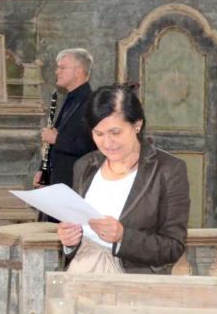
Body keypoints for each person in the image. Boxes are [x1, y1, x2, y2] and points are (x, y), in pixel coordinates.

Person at [57, 83, 190, 274]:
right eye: (98, 134)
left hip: (134, 287)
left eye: (115, 132)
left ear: (137, 124)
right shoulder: (85, 165)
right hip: (80, 277)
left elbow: (173, 247)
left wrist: (123, 237)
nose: (107, 142)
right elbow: (76, 237)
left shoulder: (168, 169)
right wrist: (70, 242)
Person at [34, 48, 98, 221]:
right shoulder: (70, 99)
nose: (57, 71)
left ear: (78, 71)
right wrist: (43, 169)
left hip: (73, 185)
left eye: (62, 67)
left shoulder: (92, 103)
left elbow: (93, 146)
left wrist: (57, 139)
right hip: (58, 181)